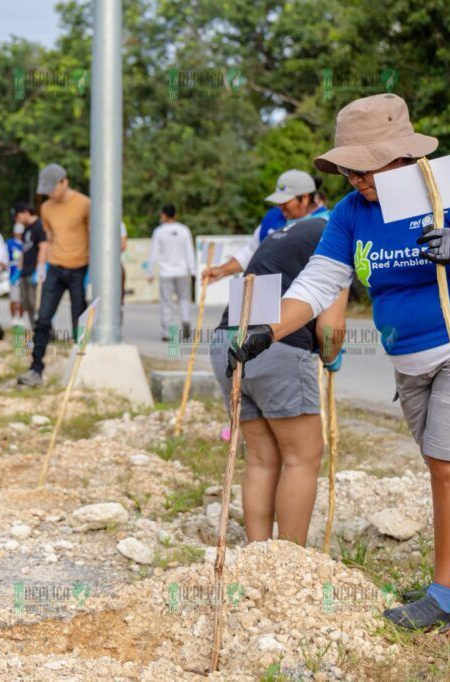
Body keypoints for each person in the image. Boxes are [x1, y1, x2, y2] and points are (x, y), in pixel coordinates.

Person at [228, 94, 450, 632]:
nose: (353, 177)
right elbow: (319, 282)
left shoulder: (445, 187)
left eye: (364, 166)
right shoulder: (351, 211)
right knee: (443, 461)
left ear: (400, 155)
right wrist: (267, 330)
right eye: (346, 167)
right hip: (411, 360)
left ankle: (444, 598)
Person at [208, 197, 347, 546]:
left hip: (228, 339)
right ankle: (289, 559)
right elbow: (330, 326)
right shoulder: (337, 235)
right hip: (277, 347)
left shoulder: (287, 232)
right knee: (303, 456)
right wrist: (330, 355)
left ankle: (259, 554)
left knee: (260, 457)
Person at [17, 163, 90, 386]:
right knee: (43, 319)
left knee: (80, 321)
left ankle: (82, 367)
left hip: (79, 268)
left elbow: (93, 235)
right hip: (56, 268)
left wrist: (92, 268)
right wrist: (42, 267)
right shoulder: (46, 208)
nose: (51, 194)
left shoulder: (84, 204)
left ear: (64, 182)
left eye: (53, 188)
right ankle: (36, 369)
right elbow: (49, 239)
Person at [203, 170, 333, 282]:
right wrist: (221, 270)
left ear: (304, 198)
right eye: (278, 202)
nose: (281, 207)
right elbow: (252, 252)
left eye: (285, 202)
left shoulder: (328, 224)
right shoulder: (273, 218)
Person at [147, 204, 196, 341]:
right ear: (176, 215)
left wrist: (150, 272)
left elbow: (153, 253)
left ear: (163, 215)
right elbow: (189, 251)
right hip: (181, 271)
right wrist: (192, 270)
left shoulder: (159, 231)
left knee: (166, 302)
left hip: (165, 273)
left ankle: (167, 332)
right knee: (184, 299)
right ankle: (186, 320)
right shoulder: (184, 230)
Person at [12, 201, 48, 326]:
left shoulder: (39, 225)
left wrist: (41, 266)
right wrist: (19, 268)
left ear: (26, 212)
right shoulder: (27, 229)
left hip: (34, 270)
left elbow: (43, 246)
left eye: (18, 216)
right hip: (25, 271)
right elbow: (24, 249)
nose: (17, 220)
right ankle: (34, 327)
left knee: (36, 302)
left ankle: (44, 329)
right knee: (26, 303)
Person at [6, 222, 25, 320]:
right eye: (18, 233)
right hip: (13, 274)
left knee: (22, 300)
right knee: (14, 299)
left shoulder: (26, 243)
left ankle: (20, 319)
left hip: (24, 275)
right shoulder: (9, 243)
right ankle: (14, 319)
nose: (20, 235)